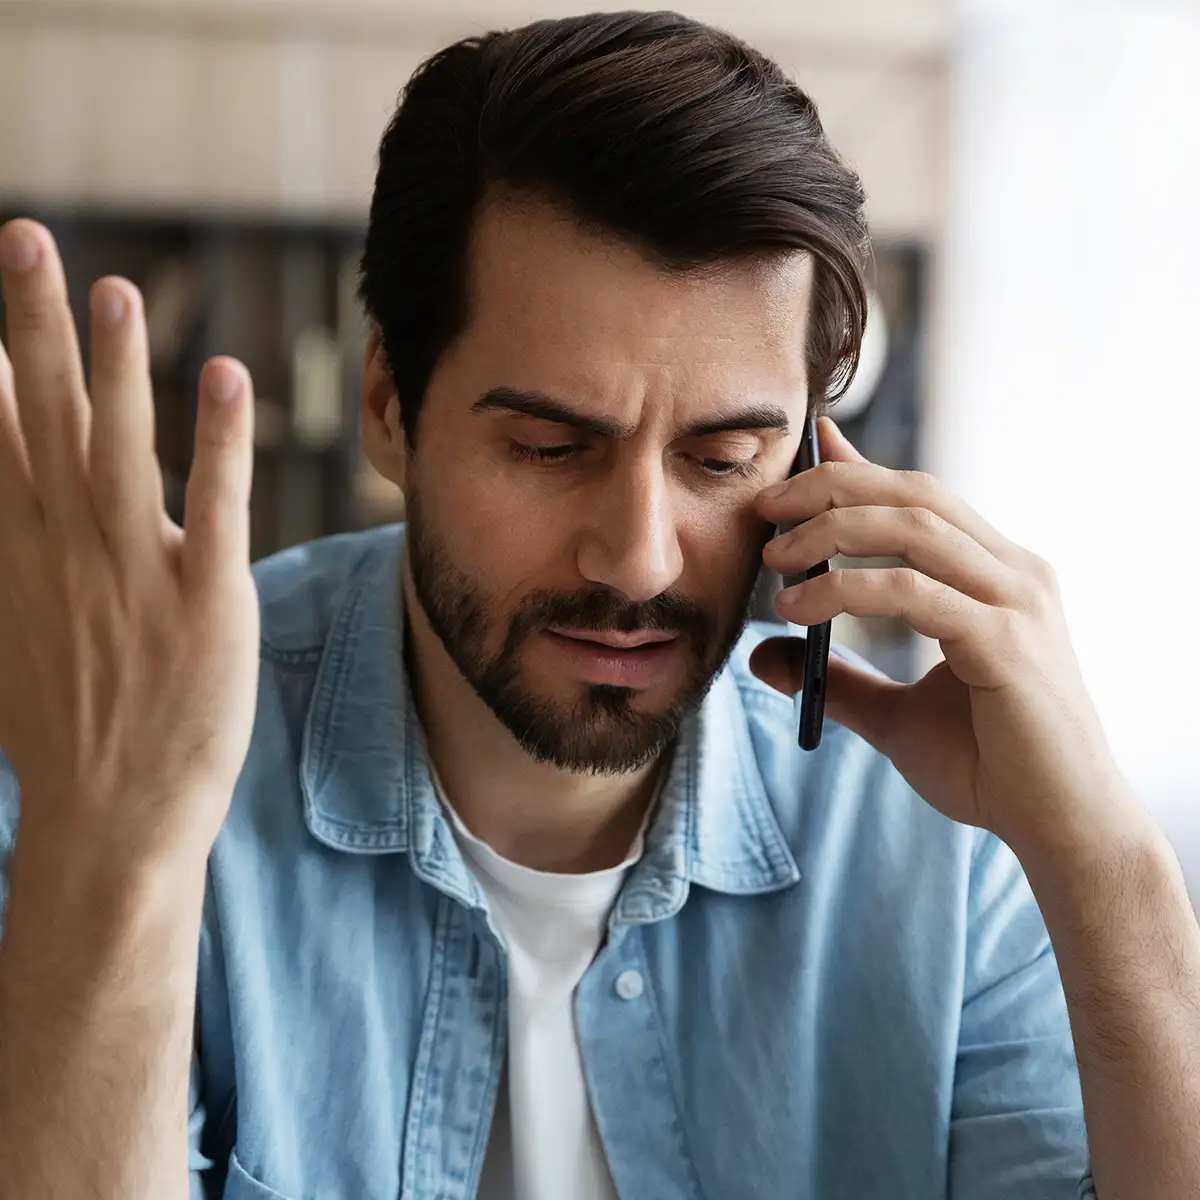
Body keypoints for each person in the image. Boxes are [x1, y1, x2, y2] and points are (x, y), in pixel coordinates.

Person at [0, 10, 1197, 1200]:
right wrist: (117, 869)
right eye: (547, 446)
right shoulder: (121, 760)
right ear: (387, 404)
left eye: (723, 459)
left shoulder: (943, 842)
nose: (639, 562)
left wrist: (1103, 861)